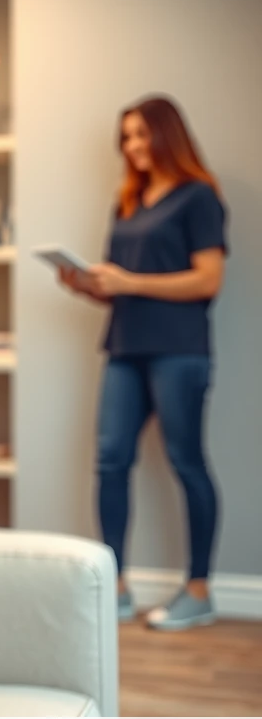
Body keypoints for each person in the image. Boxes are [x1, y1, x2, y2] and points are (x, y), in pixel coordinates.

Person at [59, 95, 226, 631]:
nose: (131, 147)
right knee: (110, 462)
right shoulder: (127, 203)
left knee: (186, 461)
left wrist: (129, 281)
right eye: (124, 138)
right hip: (124, 347)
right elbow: (120, 287)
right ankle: (117, 586)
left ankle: (198, 589)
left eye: (140, 135)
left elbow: (208, 280)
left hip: (180, 349)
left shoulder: (198, 198)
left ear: (166, 134)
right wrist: (87, 286)